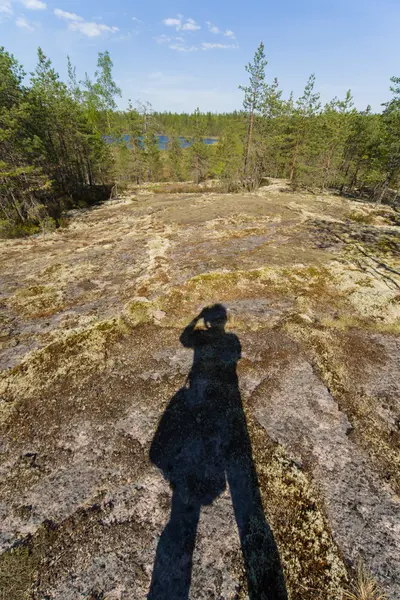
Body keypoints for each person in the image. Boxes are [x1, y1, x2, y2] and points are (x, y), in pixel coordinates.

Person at [148, 305, 287, 600]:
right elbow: (200, 345)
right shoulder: (230, 340)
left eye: (212, 320)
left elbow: (185, 338)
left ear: (213, 322)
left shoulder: (206, 337)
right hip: (219, 396)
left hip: (203, 394)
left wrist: (195, 318)